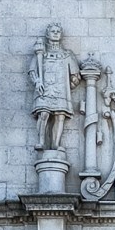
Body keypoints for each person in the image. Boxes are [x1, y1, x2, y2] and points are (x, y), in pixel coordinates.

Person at [28, 24, 81, 154]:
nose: (56, 33)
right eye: (53, 31)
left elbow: (75, 75)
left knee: (60, 116)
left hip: (60, 90)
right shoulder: (41, 53)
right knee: (44, 113)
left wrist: (70, 85)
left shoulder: (67, 55)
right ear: (47, 34)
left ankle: (56, 144)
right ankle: (41, 141)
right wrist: (37, 81)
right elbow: (32, 71)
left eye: (58, 31)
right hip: (43, 88)